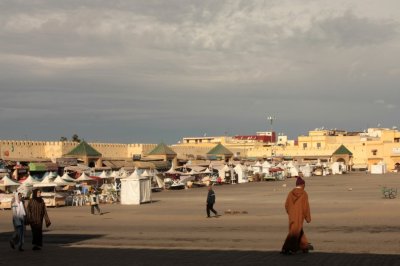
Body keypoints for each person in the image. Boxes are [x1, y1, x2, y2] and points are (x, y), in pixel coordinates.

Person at [281, 176, 313, 255]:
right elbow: (306, 206)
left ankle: (304, 246)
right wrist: (308, 217)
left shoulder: (290, 193)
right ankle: (288, 248)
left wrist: (290, 212)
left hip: (292, 215)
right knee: (294, 232)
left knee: (297, 230)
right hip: (299, 216)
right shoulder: (304, 194)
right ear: (302, 185)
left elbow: (286, 205)